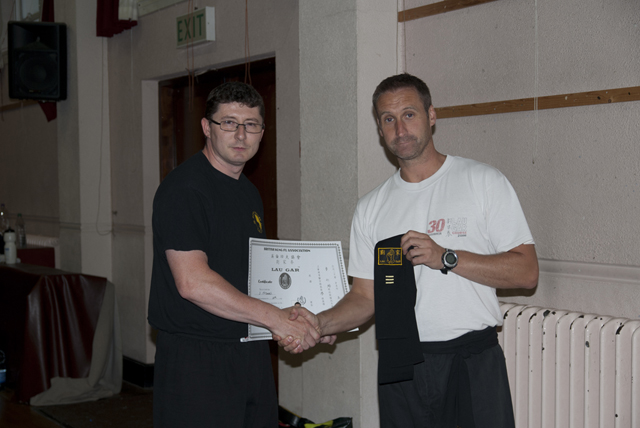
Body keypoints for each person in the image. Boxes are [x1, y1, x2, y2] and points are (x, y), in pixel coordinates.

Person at [277, 73, 539, 428]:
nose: (400, 128)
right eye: (388, 119)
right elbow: (365, 296)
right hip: (400, 367)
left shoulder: (482, 182)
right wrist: (319, 322)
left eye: (409, 114)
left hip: (470, 359)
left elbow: (526, 272)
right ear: (380, 129)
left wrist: (446, 257)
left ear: (432, 115)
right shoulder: (371, 208)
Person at [148, 81, 321, 428]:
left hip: (250, 349)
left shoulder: (249, 193)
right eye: (228, 122)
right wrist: (276, 318)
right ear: (206, 128)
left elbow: (254, 277)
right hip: (197, 359)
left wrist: (309, 317)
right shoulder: (185, 190)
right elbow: (192, 283)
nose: (240, 134)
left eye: (251, 124)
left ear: (261, 132)